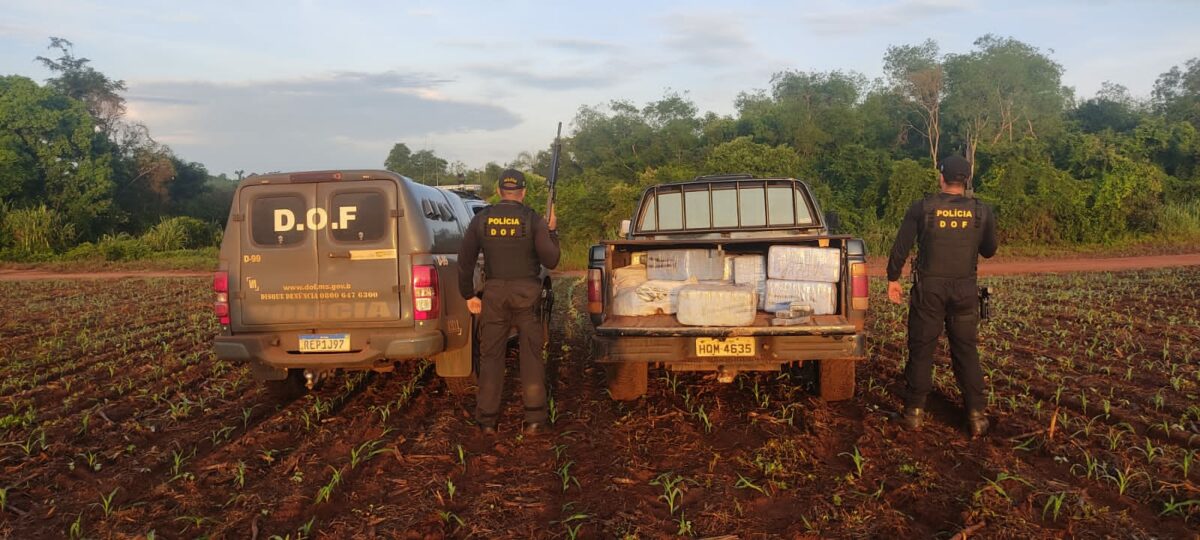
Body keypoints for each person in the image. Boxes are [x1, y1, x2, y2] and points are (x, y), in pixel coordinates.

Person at [886, 155, 998, 437]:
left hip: (929, 290)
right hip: (965, 289)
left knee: (922, 349)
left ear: (942, 177)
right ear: (967, 180)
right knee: (966, 351)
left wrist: (892, 278)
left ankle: (913, 413)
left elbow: (901, 246)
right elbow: (989, 250)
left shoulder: (923, 208)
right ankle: (976, 416)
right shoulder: (981, 211)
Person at [457, 169, 560, 435]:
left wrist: (468, 294)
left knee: (491, 357)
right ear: (523, 192)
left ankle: (487, 422)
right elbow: (551, 261)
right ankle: (535, 420)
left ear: (499, 191)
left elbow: (466, 260)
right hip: (527, 293)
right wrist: (552, 231)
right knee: (531, 356)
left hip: (494, 295)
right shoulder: (534, 220)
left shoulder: (482, 219)